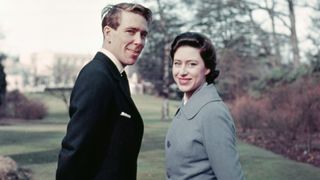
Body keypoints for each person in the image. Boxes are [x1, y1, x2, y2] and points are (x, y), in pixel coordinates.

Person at [56, 3, 152, 180]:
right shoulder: (97, 77)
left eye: (143, 34)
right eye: (130, 31)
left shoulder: (115, 75)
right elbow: (76, 151)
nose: (139, 41)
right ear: (108, 33)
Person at [165, 32, 245, 180]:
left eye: (192, 64)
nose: (182, 72)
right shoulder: (187, 104)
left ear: (207, 68)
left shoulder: (212, 112)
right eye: (177, 63)